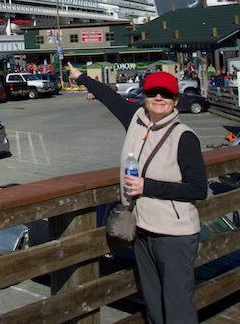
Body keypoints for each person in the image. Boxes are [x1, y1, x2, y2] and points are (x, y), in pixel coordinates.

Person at [67, 63, 206, 324]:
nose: (159, 98)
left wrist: (147, 186)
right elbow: (110, 98)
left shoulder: (184, 137)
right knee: (153, 301)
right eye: (153, 92)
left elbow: (198, 189)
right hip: (141, 230)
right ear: (144, 95)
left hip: (175, 234)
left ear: (176, 99)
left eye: (166, 94)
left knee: (177, 303)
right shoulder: (135, 119)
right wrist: (82, 77)